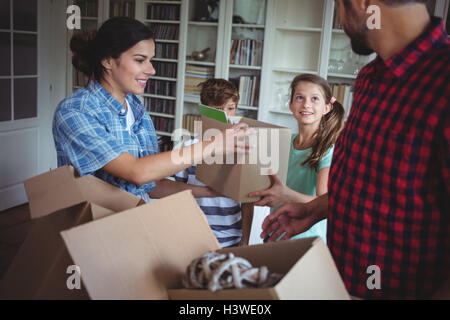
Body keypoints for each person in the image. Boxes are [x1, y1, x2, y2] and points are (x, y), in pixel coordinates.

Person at [261, 0, 450, 299]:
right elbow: (379, 189)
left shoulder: (443, 82)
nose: (339, 17)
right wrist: (314, 209)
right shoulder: (369, 79)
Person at [53, 17, 253, 203]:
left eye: (151, 60)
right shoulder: (75, 111)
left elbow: (151, 185)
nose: (151, 70)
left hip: (138, 221)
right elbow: (136, 172)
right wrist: (213, 144)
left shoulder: (136, 108)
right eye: (140, 60)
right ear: (107, 60)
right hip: (98, 229)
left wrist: (209, 192)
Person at [248, 74, 345, 242]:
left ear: (326, 108)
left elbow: (326, 201)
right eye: (300, 98)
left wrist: (287, 195)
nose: (306, 104)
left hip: (306, 239)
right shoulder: (283, 141)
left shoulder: (328, 150)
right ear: (291, 106)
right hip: (275, 232)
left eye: (315, 98)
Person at [171, 79, 243, 247]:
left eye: (231, 109)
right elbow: (177, 193)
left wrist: (245, 241)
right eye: (218, 110)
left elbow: (247, 201)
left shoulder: (242, 149)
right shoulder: (188, 147)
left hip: (232, 235)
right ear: (204, 112)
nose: (225, 116)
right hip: (194, 233)